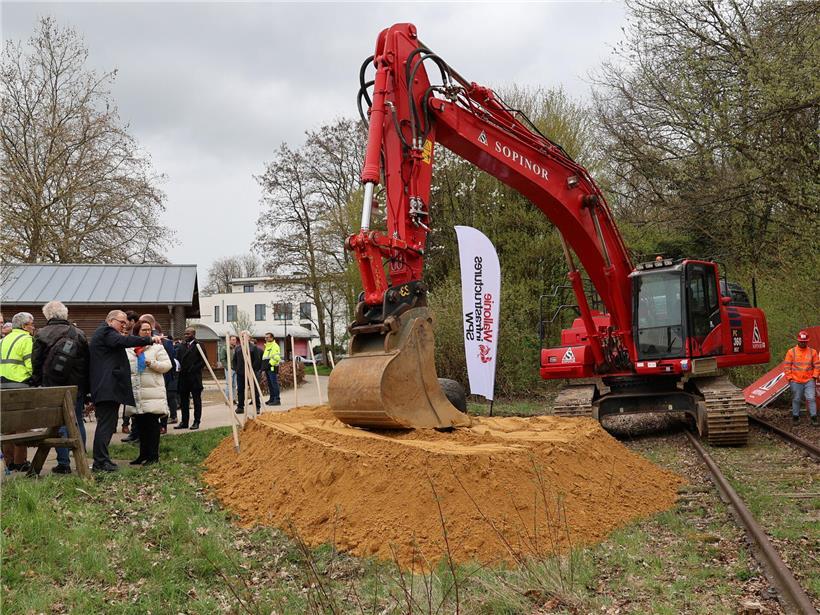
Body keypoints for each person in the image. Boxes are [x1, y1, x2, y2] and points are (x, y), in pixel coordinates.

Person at [89, 310, 162, 472]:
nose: (124, 325)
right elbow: (124, 340)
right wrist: (149, 339)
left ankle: (102, 460)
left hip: (107, 388)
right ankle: (100, 462)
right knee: (106, 426)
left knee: (108, 425)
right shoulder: (107, 332)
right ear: (110, 321)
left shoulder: (104, 333)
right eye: (121, 322)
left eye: (125, 322)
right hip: (107, 388)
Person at [31, 301, 90, 474]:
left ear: (48, 315)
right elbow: (87, 363)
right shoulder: (78, 334)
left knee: (59, 423)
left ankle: (64, 463)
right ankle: (82, 459)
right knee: (77, 421)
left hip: (51, 387)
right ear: (65, 314)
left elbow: (36, 362)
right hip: (75, 387)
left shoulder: (41, 333)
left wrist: (36, 381)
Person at [124, 320, 171, 465]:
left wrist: (153, 364)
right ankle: (142, 455)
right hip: (137, 392)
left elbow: (167, 365)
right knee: (141, 426)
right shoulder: (129, 349)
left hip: (152, 392)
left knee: (152, 425)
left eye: (149, 330)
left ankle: (153, 456)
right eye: (144, 330)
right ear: (137, 332)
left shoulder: (157, 348)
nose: (147, 332)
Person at [0, 312, 35, 472]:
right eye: (31, 324)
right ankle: (21, 461)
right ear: (23, 326)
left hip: (3, 384)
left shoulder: (5, 339)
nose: (33, 327)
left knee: (7, 425)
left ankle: (9, 461)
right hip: (20, 384)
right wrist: (33, 378)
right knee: (22, 425)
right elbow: (30, 363)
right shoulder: (26, 339)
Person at [139, 314, 177, 433]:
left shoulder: (162, 342)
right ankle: (160, 426)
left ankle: (163, 425)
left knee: (161, 402)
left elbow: (169, 361)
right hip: (146, 379)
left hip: (161, 375)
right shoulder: (137, 341)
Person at [784, 330, 819, 425]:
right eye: (801, 341)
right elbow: (787, 366)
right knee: (796, 398)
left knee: (811, 398)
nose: (803, 343)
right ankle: (795, 417)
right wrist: (790, 378)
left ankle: (814, 417)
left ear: (807, 341)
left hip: (809, 380)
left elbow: (817, 365)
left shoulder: (813, 352)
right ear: (798, 340)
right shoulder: (791, 352)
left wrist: (814, 376)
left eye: (805, 341)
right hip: (795, 380)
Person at [175, 327, 205, 430]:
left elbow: (203, 361)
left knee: (196, 401)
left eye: (188, 334)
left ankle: (196, 421)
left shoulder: (199, 345)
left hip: (194, 378)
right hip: (183, 377)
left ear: (193, 334)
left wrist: (193, 368)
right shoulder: (182, 346)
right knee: (184, 401)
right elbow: (178, 359)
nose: (186, 335)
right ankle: (184, 421)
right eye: (185, 334)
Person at [233, 333, 262, 413]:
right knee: (240, 390)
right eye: (241, 336)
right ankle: (240, 407)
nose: (243, 338)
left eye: (245, 336)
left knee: (254, 390)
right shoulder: (238, 348)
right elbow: (234, 360)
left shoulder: (253, 347)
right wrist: (236, 369)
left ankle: (257, 407)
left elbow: (257, 360)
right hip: (240, 373)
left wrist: (252, 369)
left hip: (251, 372)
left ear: (249, 337)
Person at [262, 332, 281, 406]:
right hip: (268, 368)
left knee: (274, 383)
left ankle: (277, 399)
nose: (266, 339)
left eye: (267, 337)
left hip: (272, 368)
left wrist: (269, 364)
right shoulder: (267, 346)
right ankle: (272, 398)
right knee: (270, 384)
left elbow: (276, 358)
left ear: (272, 338)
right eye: (265, 337)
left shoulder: (275, 346)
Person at [219, 335, 239, 402]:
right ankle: (227, 399)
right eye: (233, 339)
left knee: (234, 385)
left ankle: (233, 399)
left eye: (235, 339)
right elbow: (222, 359)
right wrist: (227, 367)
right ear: (229, 340)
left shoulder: (237, 348)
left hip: (236, 369)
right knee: (228, 384)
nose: (234, 341)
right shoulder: (225, 348)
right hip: (229, 369)